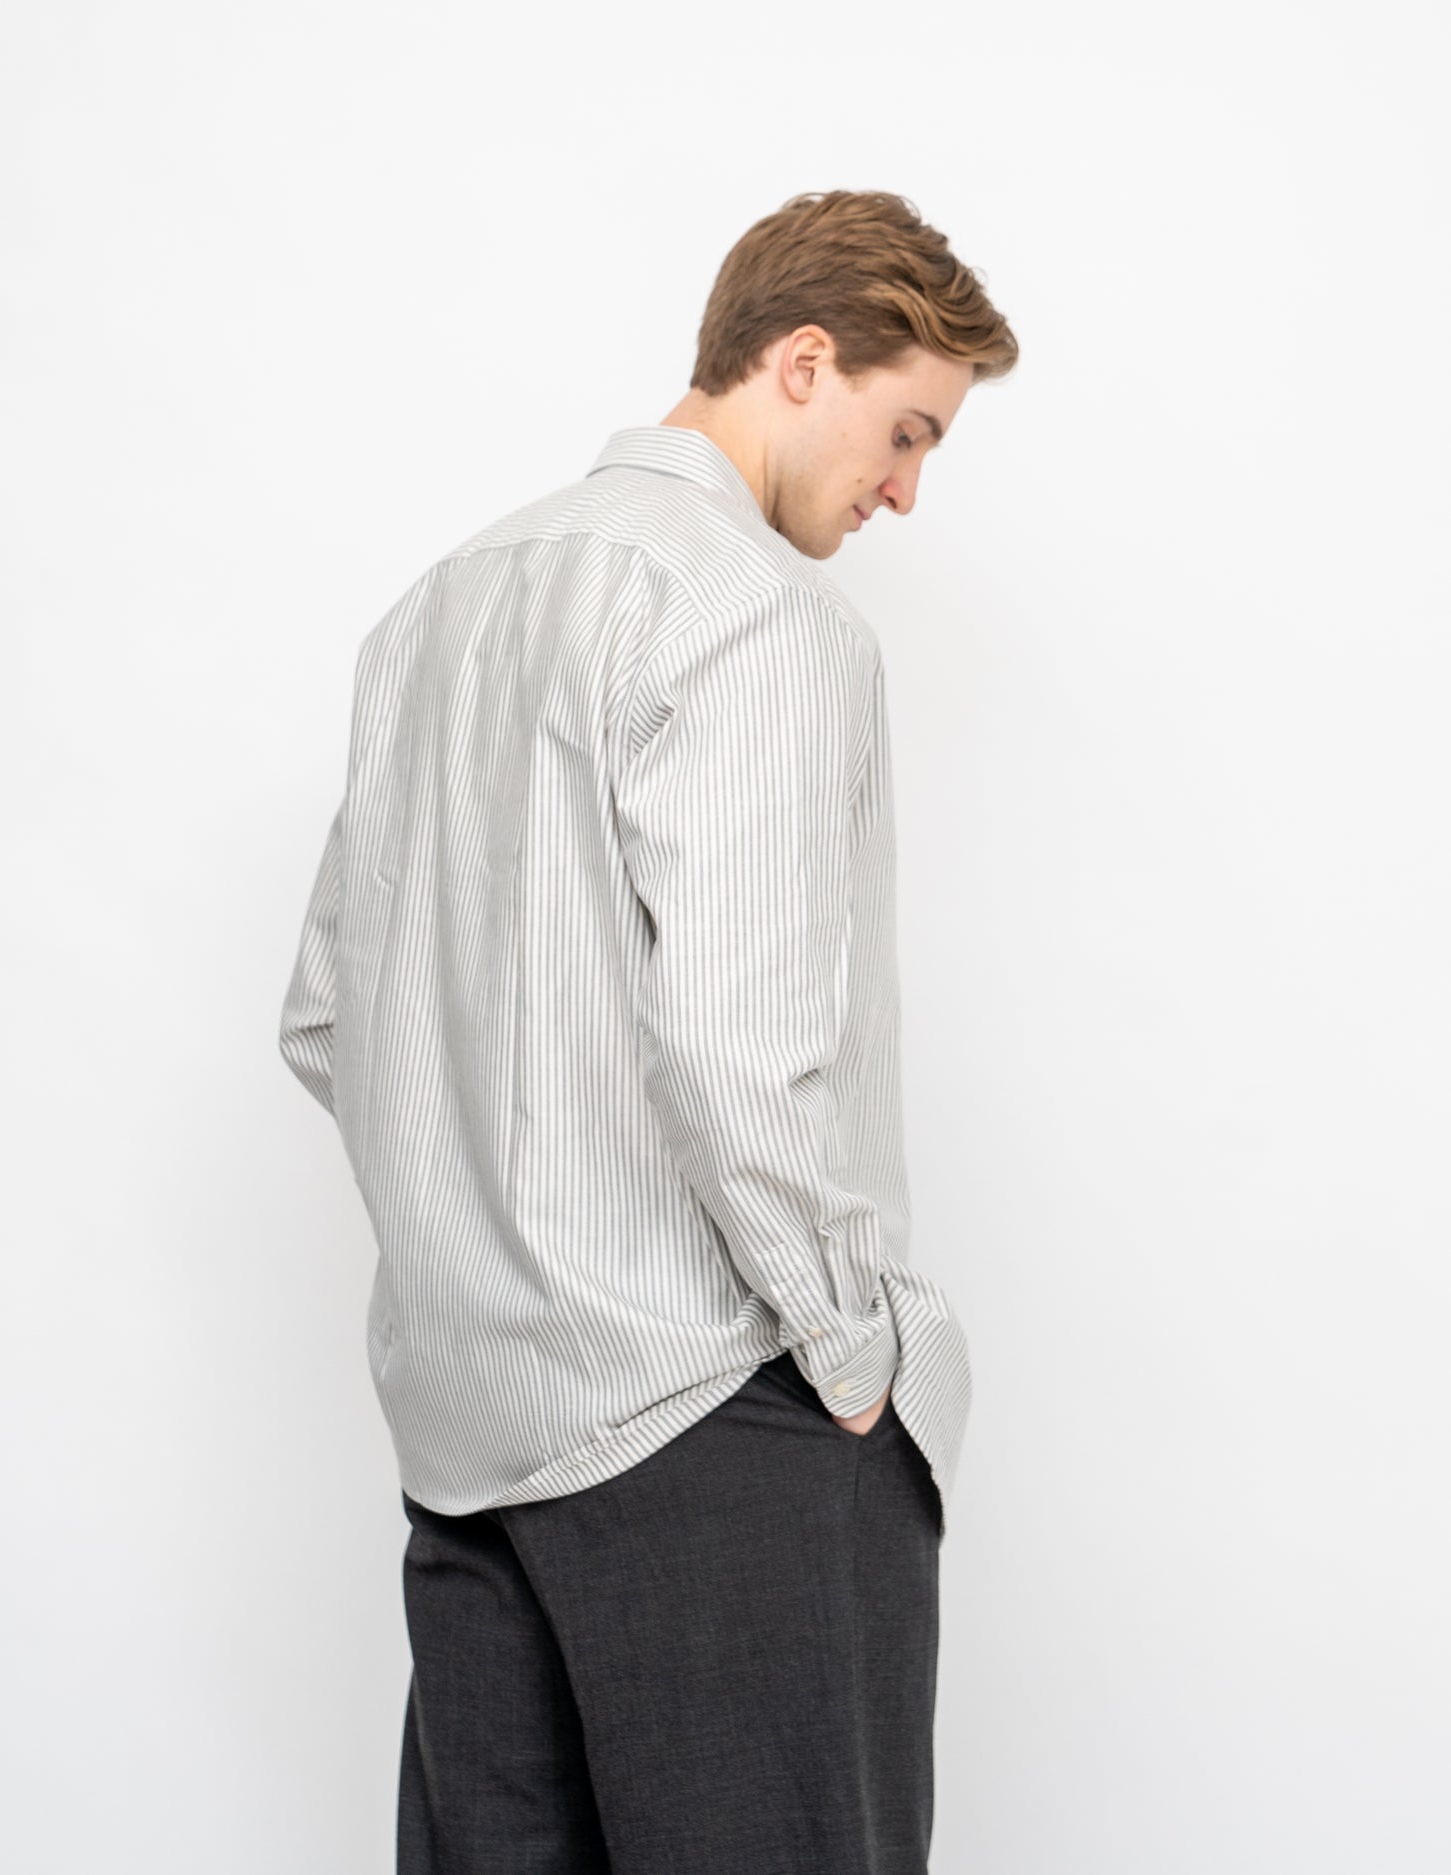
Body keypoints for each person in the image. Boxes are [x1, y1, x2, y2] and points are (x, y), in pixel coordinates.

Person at [278, 186, 1018, 1874]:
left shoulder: (437, 613)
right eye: (907, 432)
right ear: (803, 360)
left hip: (470, 1447)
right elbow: (740, 1049)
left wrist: (493, 1252)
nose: (905, 490)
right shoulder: (753, 612)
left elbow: (330, 1015)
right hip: (721, 1422)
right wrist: (851, 1349)